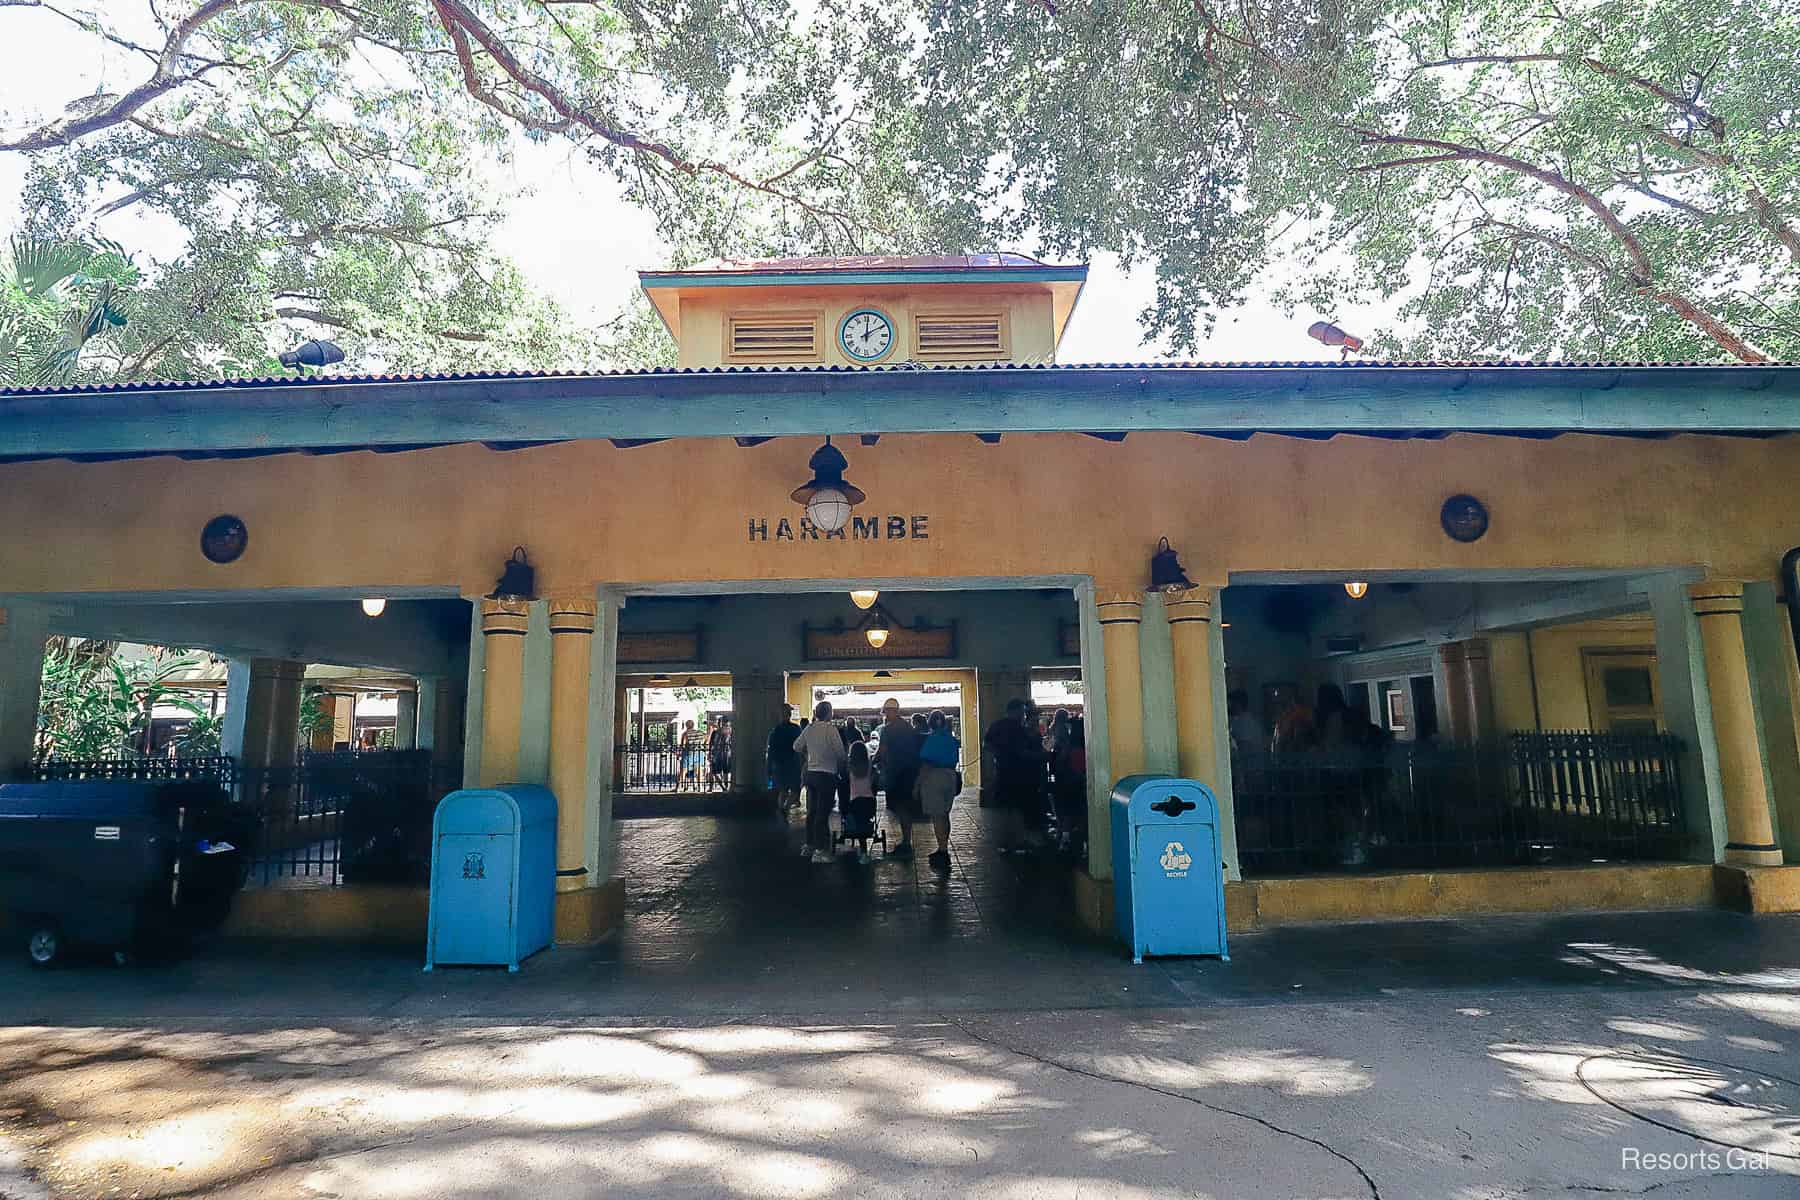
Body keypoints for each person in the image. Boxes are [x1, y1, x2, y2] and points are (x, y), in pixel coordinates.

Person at [986, 697, 1044, 853]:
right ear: (1017, 711)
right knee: (1018, 808)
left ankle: (1004, 842)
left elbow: (988, 745)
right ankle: (1019, 841)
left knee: (1004, 809)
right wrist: (1041, 756)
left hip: (1002, 770)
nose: (1024, 715)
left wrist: (999, 755)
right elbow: (1023, 752)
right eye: (1023, 712)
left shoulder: (996, 726)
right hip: (1019, 773)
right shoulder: (1018, 729)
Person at [795, 700, 847, 863]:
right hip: (826, 775)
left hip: (811, 774)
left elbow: (796, 746)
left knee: (812, 811)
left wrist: (809, 754)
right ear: (828, 713)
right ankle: (821, 850)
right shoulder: (830, 730)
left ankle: (808, 845)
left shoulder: (809, 729)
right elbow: (840, 753)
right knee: (822, 813)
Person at [874, 697, 921, 859]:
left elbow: (883, 751)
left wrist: (872, 762)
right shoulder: (909, 727)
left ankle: (906, 842)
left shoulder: (887, 730)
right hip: (910, 773)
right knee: (905, 806)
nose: (885, 715)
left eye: (886, 712)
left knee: (900, 807)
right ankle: (906, 840)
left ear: (892, 711)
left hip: (895, 773)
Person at [917, 709, 961, 872]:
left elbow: (927, 764)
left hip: (935, 777)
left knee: (937, 816)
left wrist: (917, 785)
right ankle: (944, 847)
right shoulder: (950, 739)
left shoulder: (931, 740)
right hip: (951, 776)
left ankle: (942, 851)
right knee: (945, 814)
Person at [845, 740, 878, 863]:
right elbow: (874, 781)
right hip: (869, 801)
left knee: (859, 823)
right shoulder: (870, 765)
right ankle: (864, 851)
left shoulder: (849, 766)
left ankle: (863, 851)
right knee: (864, 821)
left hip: (855, 801)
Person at [765, 704, 802, 816]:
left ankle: (781, 809)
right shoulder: (796, 729)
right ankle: (785, 808)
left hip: (779, 766)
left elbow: (770, 751)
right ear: (789, 715)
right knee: (795, 791)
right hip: (793, 765)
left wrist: (769, 767)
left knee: (782, 790)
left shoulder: (775, 731)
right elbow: (800, 747)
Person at [1228, 689, 1266, 756]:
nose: (1229, 706)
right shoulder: (1237, 720)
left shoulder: (1246, 721)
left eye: (1231, 703)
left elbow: (1245, 747)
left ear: (1238, 704)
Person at [678, 720, 705, 788]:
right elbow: (705, 739)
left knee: (683, 770)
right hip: (699, 753)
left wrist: (680, 751)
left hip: (689, 753)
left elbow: (683, 744)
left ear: (686, 726)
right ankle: (700, 787)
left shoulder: (685, 733)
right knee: (699, 771)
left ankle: (678, 787)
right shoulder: (700, 732)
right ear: (693, 725)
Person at [707, 717, 732, 791]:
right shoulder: (731, 731)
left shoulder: (716, 732)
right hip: (728, 753)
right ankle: (726, 787)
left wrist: (710, 753)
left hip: (717, 753)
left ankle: (723, 787)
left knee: (715, 771)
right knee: (726, 772)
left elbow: (711, 744)